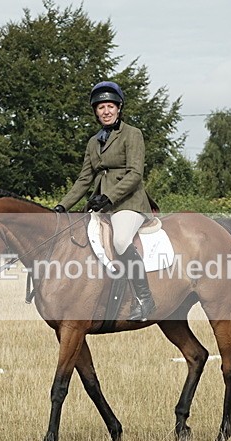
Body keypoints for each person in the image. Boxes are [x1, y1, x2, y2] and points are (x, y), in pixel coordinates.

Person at [53, 81, 156, 321]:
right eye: (101, 108)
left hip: (128, 203)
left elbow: (135, 174)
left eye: (110, 106)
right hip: (99, 204)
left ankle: (144, 297)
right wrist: (61, 206)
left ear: (119, 108)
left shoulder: (133, 134)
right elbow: (84, 179)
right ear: (95, 112)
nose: (106, 111)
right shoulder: (93, 142)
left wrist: (109, 197)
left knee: (120, 240)